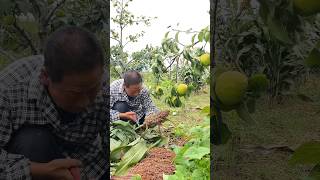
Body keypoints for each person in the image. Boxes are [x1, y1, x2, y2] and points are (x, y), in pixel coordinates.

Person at [0, 26, 108, 180]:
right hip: (31, 161)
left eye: (92, 90)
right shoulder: (9, 89)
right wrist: (38, 170)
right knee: (32, 141)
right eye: (75, 94)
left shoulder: (105, 87)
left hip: (87, 163)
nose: (85, 102)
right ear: (45, 77)